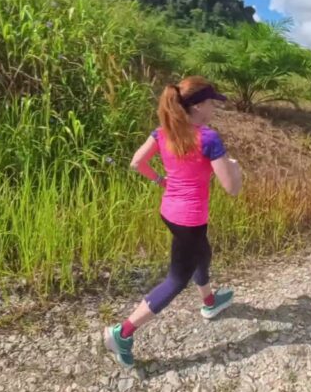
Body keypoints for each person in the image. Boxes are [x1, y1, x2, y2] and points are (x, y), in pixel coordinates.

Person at [104, 76, 243, 369]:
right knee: (177, 278)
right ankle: (123, 334)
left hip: (170, 213)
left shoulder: (162, 133)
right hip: (190, 219)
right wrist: (234, 167)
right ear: (199, 106)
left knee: (202, 254)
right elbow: (232, 188)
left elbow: (136, 162)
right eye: (212, 103)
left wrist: (160, 180)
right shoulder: (208, 138)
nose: (214, 109)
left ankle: (209, 302)